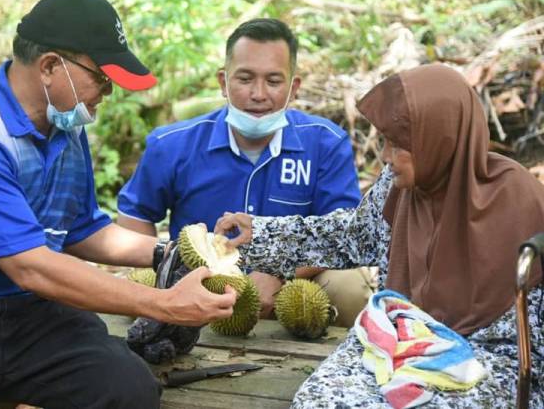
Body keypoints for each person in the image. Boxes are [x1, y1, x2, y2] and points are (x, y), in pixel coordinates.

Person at [0, 0, 237, 409]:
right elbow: (31, 267)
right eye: (101, 78)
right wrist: (164, 304)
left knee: (128, 391)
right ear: (49, 66)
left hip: (35, 315)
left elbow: (81, 228)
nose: (109, 92)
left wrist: (173, 253)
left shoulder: (67, 128)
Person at [215, 63, 544, 407]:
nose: (385, 158)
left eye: (396, 145)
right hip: (398, 336)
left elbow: (526, 347)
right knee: (321, 401)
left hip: (485, 360)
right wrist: (260, 233)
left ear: (438, 140)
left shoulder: (520, 202)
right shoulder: (399, 188)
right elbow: (347, 236)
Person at [117, 18, 373, 326]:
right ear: (223, 83)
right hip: (196, 281)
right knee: (136, 289)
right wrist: (166, 268)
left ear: (294, 88)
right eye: (245, 79)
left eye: (274, 81)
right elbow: (135, 217)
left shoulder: (326, 143)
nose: (259, 94)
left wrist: (280, 273)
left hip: (291, 284)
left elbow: (341, 232)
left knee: (349, 288)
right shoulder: (171, 144)